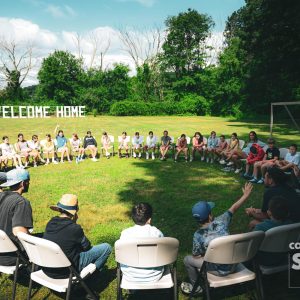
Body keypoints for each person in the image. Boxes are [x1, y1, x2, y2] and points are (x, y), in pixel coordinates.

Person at [181, 182, 254, 295]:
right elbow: (234, 208)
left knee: (187, 260)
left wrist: (208, 253)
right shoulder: (222, 220)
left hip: (216, 270)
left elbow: (196, 256)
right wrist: (245, 195)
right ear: (210, 215)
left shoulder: (198, 235)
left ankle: (196, 288)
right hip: (233, 264)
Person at [43, 194, 112, 279]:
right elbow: (87, 247)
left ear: (59, 209)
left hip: (48, 269)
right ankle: (90, 278)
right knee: (106, 248)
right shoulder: (74, 228)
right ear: (75, 212)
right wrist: (74, 223)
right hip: (66, 271)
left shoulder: (50, 222)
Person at [119, 202, 164, 282]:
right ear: (149, 219)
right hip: (154, 275)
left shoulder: (125, 234)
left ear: (133, 218)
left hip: (130, 275)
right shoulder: (157, 233)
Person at [0, 169, 32, 266]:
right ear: (23, 183)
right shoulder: (21, 202)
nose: (29, 183)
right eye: (28, 181)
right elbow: (20, 233)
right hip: (11, 257)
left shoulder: (1, 196)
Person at [253, 196, 291, 266]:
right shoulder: (292, 225)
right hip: (285, 256)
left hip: (265, 259)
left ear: (269, 213)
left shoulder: (261, 227)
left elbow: (252, 245)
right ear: (288, 213)